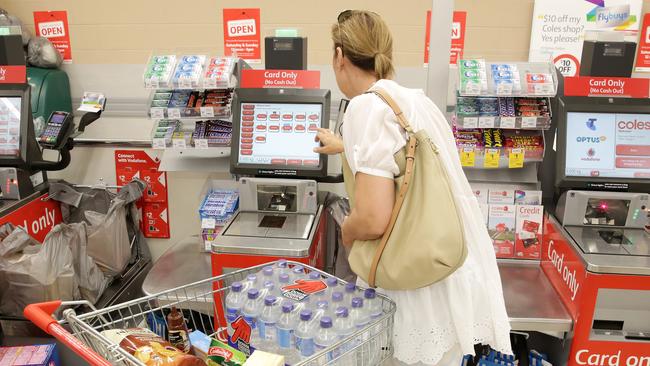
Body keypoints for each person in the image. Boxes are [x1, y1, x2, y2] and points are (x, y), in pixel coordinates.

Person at [315, 10, 512, 366]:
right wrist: (344, 146)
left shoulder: (364, 107)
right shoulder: (415, 101)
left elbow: (374, 219)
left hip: (412, 287)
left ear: (340, 56)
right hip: (449, 276)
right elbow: (408, 161)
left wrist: (347, 229)